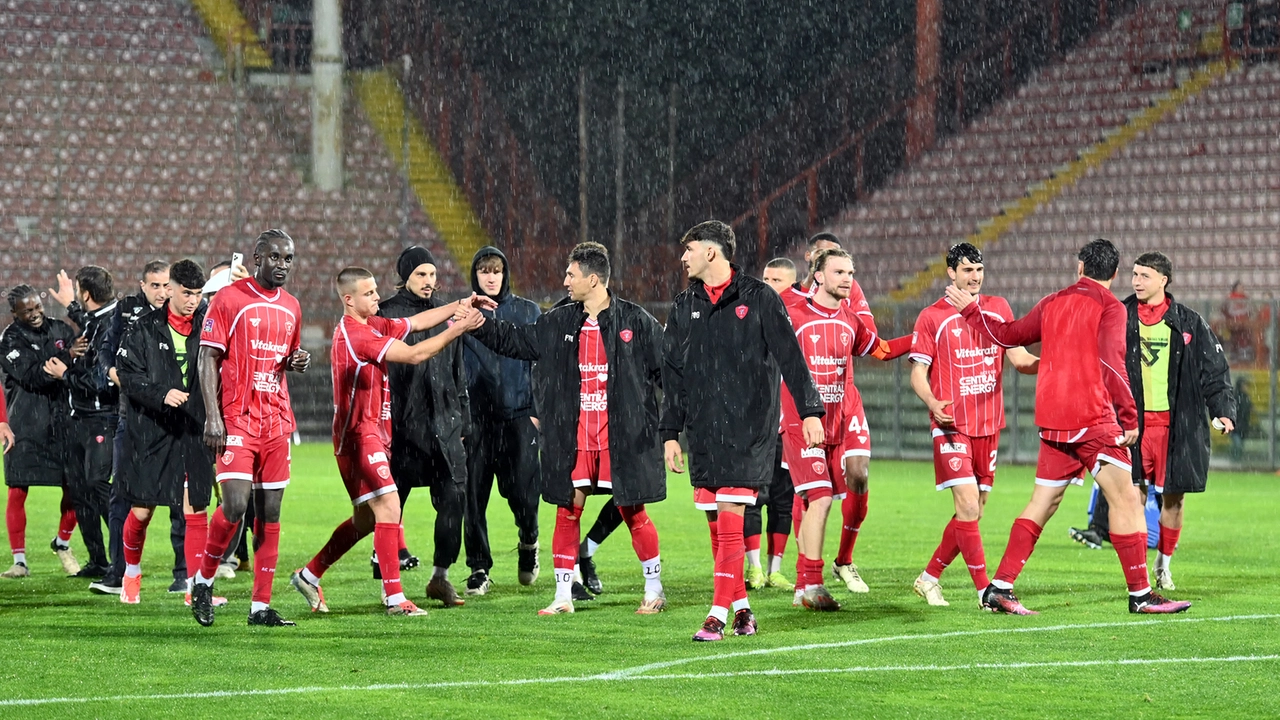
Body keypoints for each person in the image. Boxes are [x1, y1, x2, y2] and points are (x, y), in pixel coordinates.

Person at [946, 238, 1191, 615]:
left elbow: (1008, 334)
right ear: (1113, 274)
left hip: (1052, 418)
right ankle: (1141, 594)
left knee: (1044, 501)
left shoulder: (1053, 301)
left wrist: (972, 313)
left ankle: (999, 586)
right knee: (1126, 499)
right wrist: (1128, 417)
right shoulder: (1111, 307)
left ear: (1080, 268)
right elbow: (1111, 363)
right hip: (1090, 417)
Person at [467, 242, 669, 616]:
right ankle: (562, 596)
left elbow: (668, 375)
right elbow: (515, 341)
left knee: (633, 512)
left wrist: (669, 430)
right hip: (573, 437)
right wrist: (478, 324)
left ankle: (653, 590)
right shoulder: (559, 320)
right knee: (567, 511)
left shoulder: (635, 321)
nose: (565, 281)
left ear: (593, 279)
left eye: (571, 275)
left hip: (620, 437)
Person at [661, 220, 824, 641]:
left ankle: (715, 615)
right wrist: (669, 432)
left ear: (711, 253)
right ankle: (744, 612)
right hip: (703, 432)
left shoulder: (759, 298)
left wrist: (809, 411)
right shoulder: (683, 305)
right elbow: (673, 374)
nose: (684, 257)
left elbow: (790, 355)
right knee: (718, 527)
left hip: (749, 428)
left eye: (690, 249)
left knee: (732, 518)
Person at [290, 267, 485, 617]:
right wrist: (459, 328)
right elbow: (414, 354)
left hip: (372, 435)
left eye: (376, 291)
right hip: (359, 436)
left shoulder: (372, 325)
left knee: (366, 521)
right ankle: (395, 598)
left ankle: (309, 574)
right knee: (390, 506)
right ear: (348, 300)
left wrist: (462, 303)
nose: (377, 297)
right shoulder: (355, 334)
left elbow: (418, 322)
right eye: (368, 293)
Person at [189, 228, 311, 627]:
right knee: (236, 505)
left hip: (275, 420)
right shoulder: (229, 298)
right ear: (258, 258)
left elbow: (285, 356)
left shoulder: (292, 306)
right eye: (275, 257)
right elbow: (207, 357)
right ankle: (203, 581)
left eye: (288, 259)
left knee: (271, 512)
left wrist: (295, 361)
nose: (282, 266)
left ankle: (260, 606)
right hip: (236, 417)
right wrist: (212, 416)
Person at [908, 243, 1038, 607]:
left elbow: (1021, 358)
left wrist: (1056, 362)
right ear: (950, 272)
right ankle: (986, 592)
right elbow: (918, 371)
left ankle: (929, 577)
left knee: (974, 510)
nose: (975, 277)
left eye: (979, 270)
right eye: (967, 270)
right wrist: (933, 402)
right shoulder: (932, 316)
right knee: (966, 505)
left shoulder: (997, 309)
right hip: (951, 424)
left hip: (988, 424)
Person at [781, 248, 902, 611]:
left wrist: (921, 338)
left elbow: (879, 349)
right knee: (818, 499)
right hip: (801, 424)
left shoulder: (849, 318)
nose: (848, 278)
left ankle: (804, 586)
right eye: (838, 272)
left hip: (836, 423)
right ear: (818, 276)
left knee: (819, 500)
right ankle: (814, 583)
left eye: (851, 272)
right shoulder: (794, 315)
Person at [113, 260, 226, 607]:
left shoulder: (208, 326)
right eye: (186, 293)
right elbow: (126, 375)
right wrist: (161, 393)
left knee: (195, 512)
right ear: (171, 289)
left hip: (192, 430)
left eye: (197, 294)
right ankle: (131, 572)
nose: (192, 300)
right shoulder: (142, 328)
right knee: (143, 511)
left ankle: (196, 589)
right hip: (150, 431)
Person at [1123, 252, 1235, 590]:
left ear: (1163, 280)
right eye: (1134, 274)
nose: (1136, 282)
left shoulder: (1189, 322)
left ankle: (1163, 564)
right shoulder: (1120, 316)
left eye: (1144, 276)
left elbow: (1214, 371)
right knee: (1132, 498)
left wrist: (1223, 409)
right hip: (1132, 426)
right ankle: (1137, 573)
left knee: (1174, 499)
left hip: (1177, 427)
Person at [377, 246, 472, 607]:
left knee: (453, 501)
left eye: (432, 274)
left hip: (445, 428)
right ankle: (389, 584)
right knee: (389, 508)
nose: (429, 282)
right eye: (421, 274)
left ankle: (440, 578)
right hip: (401, 430)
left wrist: (462, 417)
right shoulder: (387, 315)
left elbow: (457, 370)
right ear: (405, 276)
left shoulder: (448, 312)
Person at [93, 259, 191, 596]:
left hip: (178, 421)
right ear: (142, 285)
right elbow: (105, 350)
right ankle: (119, 573)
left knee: (185, 500)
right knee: (128, 498)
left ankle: (184, 576)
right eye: (155, 286)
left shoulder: (189, 312)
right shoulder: (128, 312)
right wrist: (113, 374)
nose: (162, 292)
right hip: (133, 418)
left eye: (167, 285)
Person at [460, 246, 542, 595]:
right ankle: (479, 567)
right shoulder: (463, 314)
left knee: (524, 493)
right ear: (475, 276)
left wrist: (538, 412)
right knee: (472, 497)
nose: (490, 276)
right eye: (483, 270)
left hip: (520, 418)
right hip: (477, 422)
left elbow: (543, 364)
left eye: (496, 270)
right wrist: (459, 420)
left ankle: (529, 540)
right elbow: (454, 369)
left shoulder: (527, 311)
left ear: (505, 273)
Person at [0, 286, 82, 578]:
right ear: (15, 313)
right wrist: (68, 356)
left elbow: (82, 356)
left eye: (37, 307)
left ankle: (62, 543)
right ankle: (19, 561)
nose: (35, 315)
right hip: (25, 424)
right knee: (18, 489)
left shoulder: (61, 328)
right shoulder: (9, 339)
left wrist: (75, 354)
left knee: (74, 485)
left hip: (64, 422)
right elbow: (32, 376)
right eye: (27, 311)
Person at [48, 267, 120, 578]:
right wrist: (70, 306)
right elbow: (90, 321)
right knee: (80, 490)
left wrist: (65, 374)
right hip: (79, 417)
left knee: (98, 486)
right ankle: (98, 560)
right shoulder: (99, 319)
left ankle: (123, 559)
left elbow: (100, 382)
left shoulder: (112, 323)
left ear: (86, 293)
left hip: (102, 416)